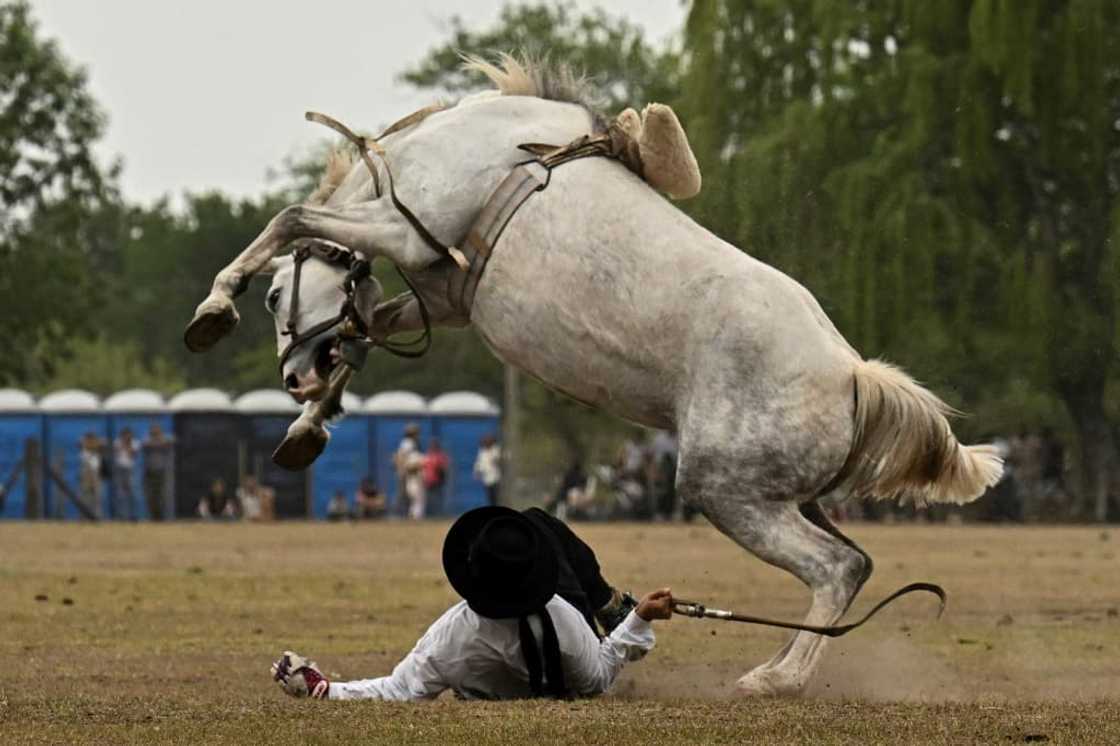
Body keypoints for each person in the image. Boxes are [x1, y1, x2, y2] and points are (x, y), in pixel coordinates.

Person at [272, 506, 672, 701]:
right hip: (572, 637)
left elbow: (396, 690)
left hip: (505, 669)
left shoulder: (453, 638)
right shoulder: (564, 621)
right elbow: (598, 678)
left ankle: (609, 603)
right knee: (534, 519)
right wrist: (637, 618)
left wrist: (323, 689)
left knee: (531, 520)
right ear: (533, 572)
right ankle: (608, 601)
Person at [142, 423, 174, 521]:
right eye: (153, 431)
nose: (155, 432)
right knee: (150, 496)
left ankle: (162, 516)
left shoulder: (165, 439)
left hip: (161, 472)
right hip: (149, 472)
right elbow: (145, 444)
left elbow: (172, 440)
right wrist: (158, 443)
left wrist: (160, 441)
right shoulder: (147, 440)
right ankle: (154, 516)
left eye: (157, 431)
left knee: (162, 495)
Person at [393, 424, 422, 516]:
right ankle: (397, 514)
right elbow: (401, 455)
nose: (418, 435)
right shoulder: (408, 442)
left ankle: (410, 514)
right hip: (407, 472)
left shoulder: (411, 443)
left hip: (410, 472)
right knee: (407, 494)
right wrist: (401, 469)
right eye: (416, 432)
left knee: (409, 494)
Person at [111, 428, 138, 521]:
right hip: (119, 468)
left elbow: (133, 454)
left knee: (132, 493)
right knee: (120, 494)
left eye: (128, 435)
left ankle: (133, 515)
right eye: (125, 435)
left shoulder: (134, 442)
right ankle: (121, 516)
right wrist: (123, 445)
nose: (127, 437)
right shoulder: (117, 442)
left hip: (130, 468)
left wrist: (126, 445)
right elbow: (116, 452)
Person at [78, 432, 103, 519]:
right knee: (85, 497)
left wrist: (96, 443)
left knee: (97, 497)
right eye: (89, 440)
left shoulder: (97, 452)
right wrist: (86, 442)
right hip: (86, 474)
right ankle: (84, 516)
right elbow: (80, 442)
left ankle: (96, 516)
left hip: (96, 474)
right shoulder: (84, 452)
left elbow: (102, 443)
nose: (91, 442)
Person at [423, 438, 450, 516]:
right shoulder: (429, 456)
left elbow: (444, 468)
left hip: (436, 480)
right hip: (430, 481)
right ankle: (432, 512)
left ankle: (436, 512)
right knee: (431, 498)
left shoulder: (437, 456)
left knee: (436, 497)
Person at [473, 434, 502, 506]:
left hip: (496, 477)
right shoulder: (482, 451)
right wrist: (477, 472)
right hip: (487, 477)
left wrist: (497, 461)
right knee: (490, 495)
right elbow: (479, 463)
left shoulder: (496, 450)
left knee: (496, 495)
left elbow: (498, 460)